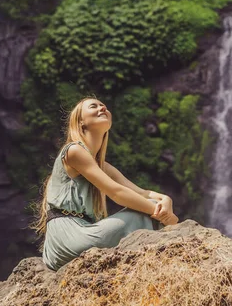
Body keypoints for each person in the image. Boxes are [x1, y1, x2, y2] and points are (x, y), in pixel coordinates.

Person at [33, 97, 179, 271]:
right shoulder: (74, 151)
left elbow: (142, 193)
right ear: (81, 122)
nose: (102, 108)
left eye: (104, 106)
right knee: (145, 212)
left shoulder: (101, 165)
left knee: (152, 205)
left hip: (85, 231)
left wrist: (166, 200)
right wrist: (161, 214)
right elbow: (116, 192)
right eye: (93, 106)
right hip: (69, 239)